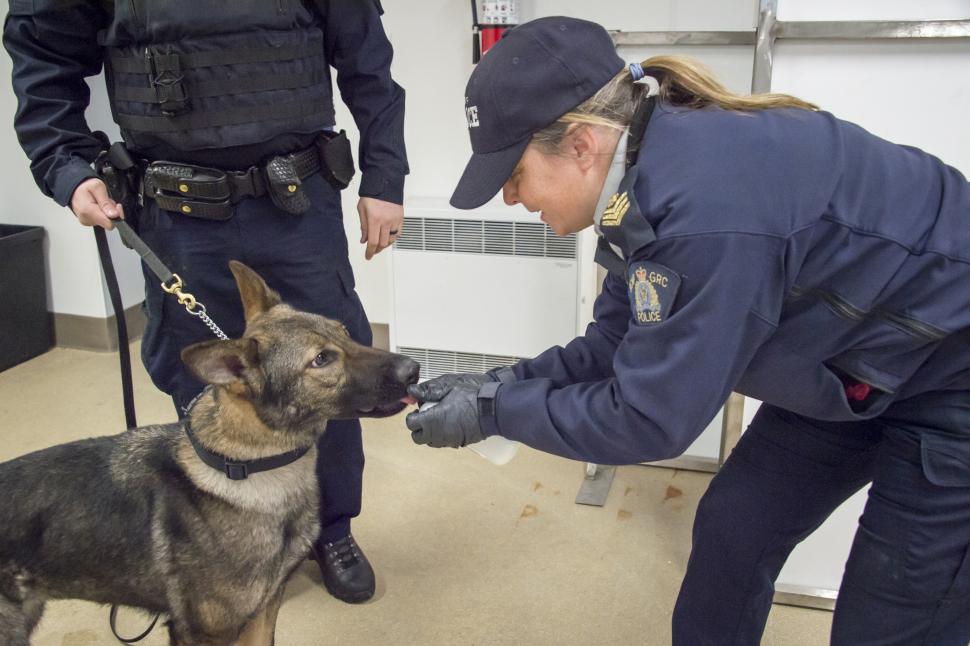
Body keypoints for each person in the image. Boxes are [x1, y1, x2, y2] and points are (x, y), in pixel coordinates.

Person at [405, 16, 970, 645]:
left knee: (887, 621)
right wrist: (500, 382)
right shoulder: (641, 183)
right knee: (736, 529)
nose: (511, 199)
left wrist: (495, 412)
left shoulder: (706, 210)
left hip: (950, 369)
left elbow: (648, 418)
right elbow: (614, 345)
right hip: (849, 363)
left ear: (583, 144)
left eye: (513, 176)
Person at [4, 0, 408, 604]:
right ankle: (222, 539)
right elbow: (43, 56)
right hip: (175, 212)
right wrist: (66, 164)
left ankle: (330, 530)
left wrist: (383, 178)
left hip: (298, 203)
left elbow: (368, 65)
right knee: (203, 384)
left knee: (332, 375)